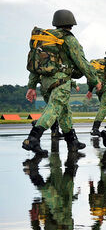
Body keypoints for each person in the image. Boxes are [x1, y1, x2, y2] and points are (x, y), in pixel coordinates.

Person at [23, 9, 101, 156]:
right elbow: (82, 62)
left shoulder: (45, 40)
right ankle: (32, 139)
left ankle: (72, 142)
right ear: (72, 23)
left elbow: (35, 65)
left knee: (65, 112)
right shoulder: (68, 39)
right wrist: (94, 80)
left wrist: (31, 86)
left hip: (45, 83)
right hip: (61, 81)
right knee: (53, 110)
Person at [89, 47, 106, 136]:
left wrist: (90, 90)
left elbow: (92, 76)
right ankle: (95, 128)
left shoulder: (99, 63)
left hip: (99, 89)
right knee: (104, 108)